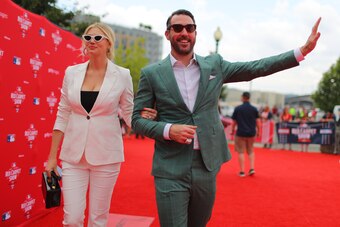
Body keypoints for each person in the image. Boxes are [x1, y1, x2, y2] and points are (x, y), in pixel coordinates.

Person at [131, 9, 321, 227]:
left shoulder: (215, 65)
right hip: (170, 166)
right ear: (167, 34)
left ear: (195, 33)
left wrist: (302, 50)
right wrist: (168, 129)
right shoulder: (152, 73)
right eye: (177, 28)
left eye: (189, 28)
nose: (184, 32)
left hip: (206, 163)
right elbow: (137, 120)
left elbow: (255, 68)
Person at [44, 22, 156, 226]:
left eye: (97, 38)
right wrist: (52, 158)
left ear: (108, 44)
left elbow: (130, 114)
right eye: (88, 38)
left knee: (98, 219)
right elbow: (62, 114)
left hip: (106, 156)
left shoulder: (122, 75)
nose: (92, 41)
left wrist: (149, 122)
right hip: (73, 156)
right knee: (72, 219)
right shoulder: (72, 72)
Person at [231, 92, 260, 177]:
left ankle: (242, 171)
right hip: (251, 133)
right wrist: (259, 131)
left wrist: (233, 130)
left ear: (243, 97)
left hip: (240, 133)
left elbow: (234, 122)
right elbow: (258, 122)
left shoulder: (238, 108)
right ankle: (251, 168)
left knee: (241, 152)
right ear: (249, 98)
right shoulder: (254, 109)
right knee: (251, 151)